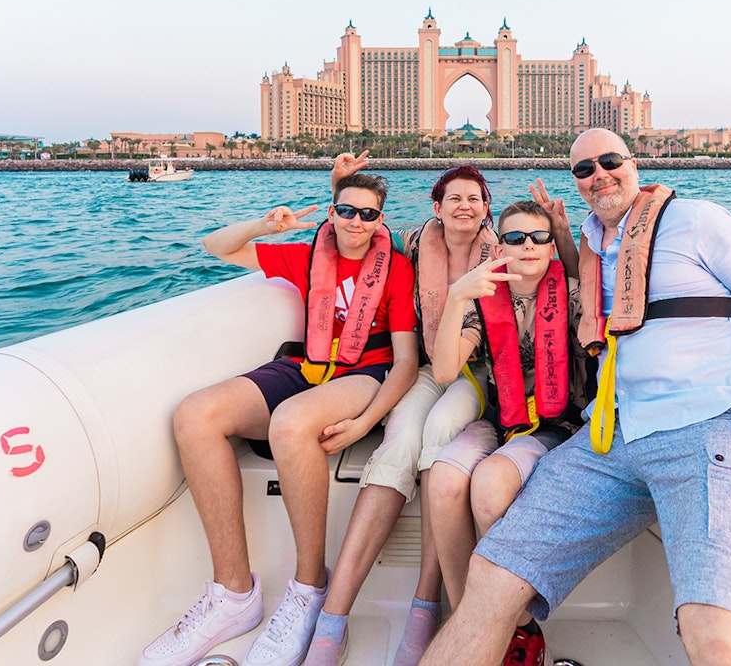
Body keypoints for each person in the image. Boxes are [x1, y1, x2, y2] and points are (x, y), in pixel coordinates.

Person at [419, 128, 731, 666]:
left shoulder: (696, 221)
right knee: (489, 579)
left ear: (634, 163)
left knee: (714, 630)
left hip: (704, 432)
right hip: (606, 440)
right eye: (584, 169)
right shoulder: (589, 248)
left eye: (609, 160)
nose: (599, 175)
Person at [303, 158, 578, 666]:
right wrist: (340, 190)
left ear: (488, 213)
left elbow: (573, 276)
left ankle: (441, 608)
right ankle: (336, 616)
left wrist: (559, 232)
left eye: (475, 199)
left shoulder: (538, 272)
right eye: (454, 198)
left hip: (497, 389)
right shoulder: (416, 246)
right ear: (436, 207)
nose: (465, 206)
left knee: (442, 433)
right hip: (440, 370)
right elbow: (357, 225)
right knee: (408, 442)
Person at [139, 173, 420, 666]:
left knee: (289, 424)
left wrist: (365, 422)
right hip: (304, 367)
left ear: (381, 221)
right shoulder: (305, 256)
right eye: (346, 210)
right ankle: (233, 595)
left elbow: (405, 363)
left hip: (366, 373)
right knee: (195, 414)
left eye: (368, 214)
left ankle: (309, 587)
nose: (355, 221)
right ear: (332, 213)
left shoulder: (396, 270)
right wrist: (265, 225)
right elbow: (216, 246)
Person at [425, 201, 588, 666]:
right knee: (443, 478)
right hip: (501, 420)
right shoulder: (482, 297)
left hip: (558, 427)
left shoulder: (575, 295)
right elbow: (443, 369)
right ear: (500, 245)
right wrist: (457, 295)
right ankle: (470, 620)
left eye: (539, 238)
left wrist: (565, 237)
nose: (529, 247)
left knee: (491, 483)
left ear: (551, 244)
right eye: (516, 238)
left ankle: (516, 625)